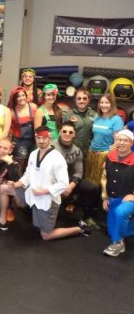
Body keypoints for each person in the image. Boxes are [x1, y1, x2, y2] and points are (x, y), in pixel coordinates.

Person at [0, 126, 91, 239]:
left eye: (44, 138)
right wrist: (15, 184)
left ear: (49, 138)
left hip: (48, 200)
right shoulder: (33, 154)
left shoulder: (57, 158)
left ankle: (79, 229)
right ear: (35, 138)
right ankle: (2, 222)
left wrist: (42, 192)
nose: (41, 141)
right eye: (39, 138)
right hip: (32, 193)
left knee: (46, 235)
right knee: (4, 188)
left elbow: (63, 184)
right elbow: (28, 175)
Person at [52, 121, 100, 228]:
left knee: (92, 188)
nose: (67, 134)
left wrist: (70, 187)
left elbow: (79, 171)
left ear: (74, 134)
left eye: (70, 132)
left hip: (68, 181)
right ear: (60, 132)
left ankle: (86, 217)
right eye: (64, 131)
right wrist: (58, 187)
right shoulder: (50, 147)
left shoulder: (77, 150)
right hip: (52, 181)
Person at [101, 129, 134, 257]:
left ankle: (118, 244)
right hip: (113, 198)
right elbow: (104, 178)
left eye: (125, 140)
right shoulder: (110, 157)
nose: (121, 142)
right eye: (119, 139)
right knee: (111, 231)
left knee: (120, 213)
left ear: (131, 143)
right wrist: (105, 197)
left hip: (129, 199)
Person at [85, 93, 123, 186]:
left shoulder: (117, 119)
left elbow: (117, 143)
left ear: (112, 104)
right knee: (89, 179)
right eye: (101, 102)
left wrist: (109, 156)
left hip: (105, 155)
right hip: (92, 152)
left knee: (101, 183)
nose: (103, 105)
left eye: (107, 102)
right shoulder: (97, 116)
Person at [7, 85, 37, 172]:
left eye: (23, 95)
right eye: (18, 96)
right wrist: (9, 142)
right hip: (19, 142)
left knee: (33, 164)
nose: (21, 98)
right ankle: (17, 180)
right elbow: (9, 129)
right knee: (19, 165)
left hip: (33, 141)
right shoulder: (11, 112)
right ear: (14, 98)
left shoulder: (33, 107)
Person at [62, 87, 96, 158]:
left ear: (89, 100)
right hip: (71, 152)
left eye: (84, 98)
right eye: (79, 98)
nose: (81, 101)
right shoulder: (68, 115)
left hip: (88, 152)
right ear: (75, 100)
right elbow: (63, 136)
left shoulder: (94, 115)